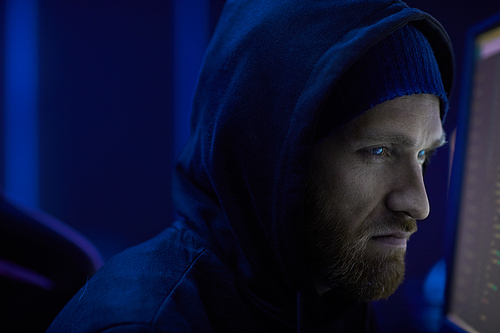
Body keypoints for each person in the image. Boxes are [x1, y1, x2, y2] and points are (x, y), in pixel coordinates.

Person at [47, 0, 454, 332]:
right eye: (379, 151)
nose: (418, 204)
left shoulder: (326, 293)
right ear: (273, 157)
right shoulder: (147, 327)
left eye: (423, 154)